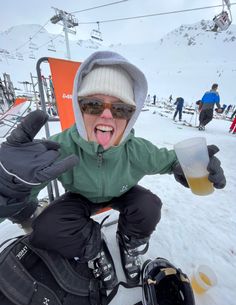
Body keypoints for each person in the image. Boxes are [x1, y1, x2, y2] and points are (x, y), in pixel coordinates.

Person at [0, 51, 226, 291]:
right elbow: (23, 192)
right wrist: (8, 189)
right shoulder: (59, 147)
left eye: (120, 109)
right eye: (93, 104)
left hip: (122, 192)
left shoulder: (137, 150)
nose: (107, 114)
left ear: (131, 116)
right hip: (80, 197)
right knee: (47, 226)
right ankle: (93, 249)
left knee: (149, 205)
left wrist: (189, 166)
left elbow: (170, 161)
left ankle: (128, 243)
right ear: (79, 108)